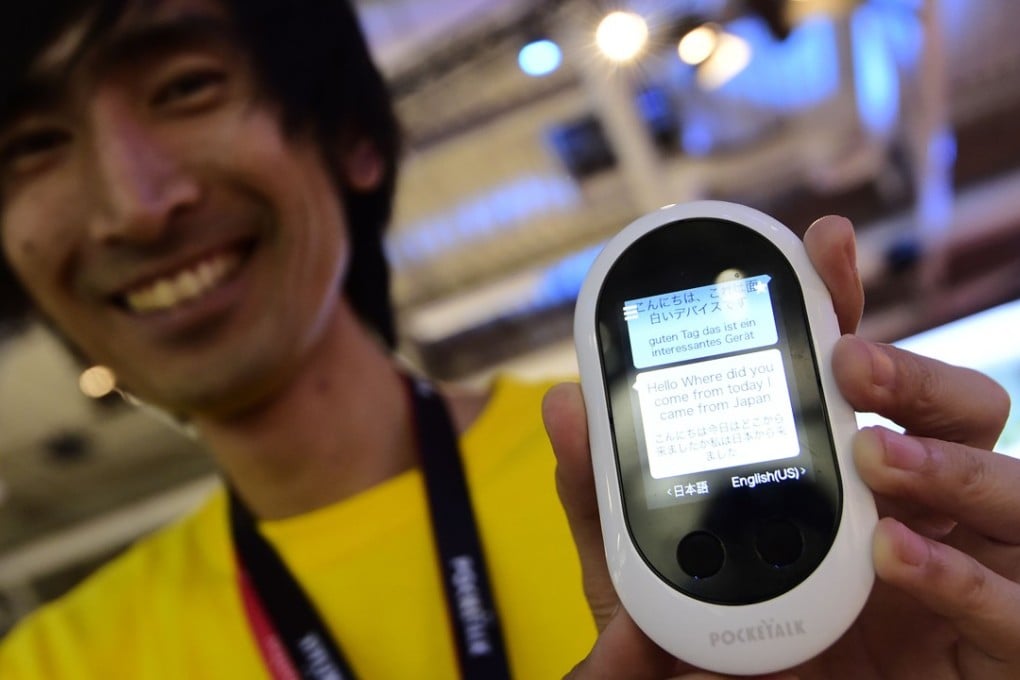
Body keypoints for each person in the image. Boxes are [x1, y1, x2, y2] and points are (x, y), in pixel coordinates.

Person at [0, 1, 1015, 679]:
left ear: (351, 136)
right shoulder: (50, 660)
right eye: (31, 143)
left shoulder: (650, 458)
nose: (130, 205)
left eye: (184, 87)